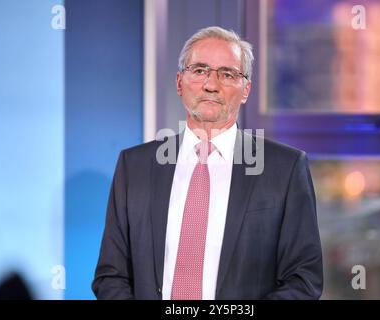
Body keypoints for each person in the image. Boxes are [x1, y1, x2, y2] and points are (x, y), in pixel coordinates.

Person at [92, 26, 323, 300]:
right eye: (199, 70)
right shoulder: (135, 166)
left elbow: (304, 279)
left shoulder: (284, 169)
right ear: (179, 82)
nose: (211, 84)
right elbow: (111, 276)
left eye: (227, 74)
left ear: (246, 89)